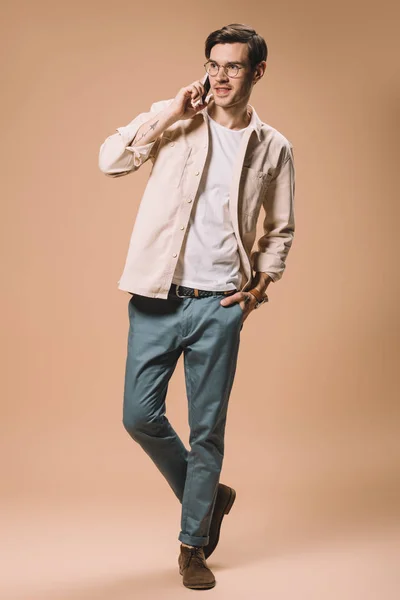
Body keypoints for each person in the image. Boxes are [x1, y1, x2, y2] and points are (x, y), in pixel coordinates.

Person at [98, 23, 295, 590]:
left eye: (234, 66)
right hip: (157, 296)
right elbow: (111, 160)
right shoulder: (177, 117)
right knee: (140, 415)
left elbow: (278, 230)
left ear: (257, 71)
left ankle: (192, 546)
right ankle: (211, 497)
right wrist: (170, 116)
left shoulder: (273, 146)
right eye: (214, 64)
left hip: (220, 305)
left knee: (208, 429)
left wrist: (259, 288)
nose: (221, 75)